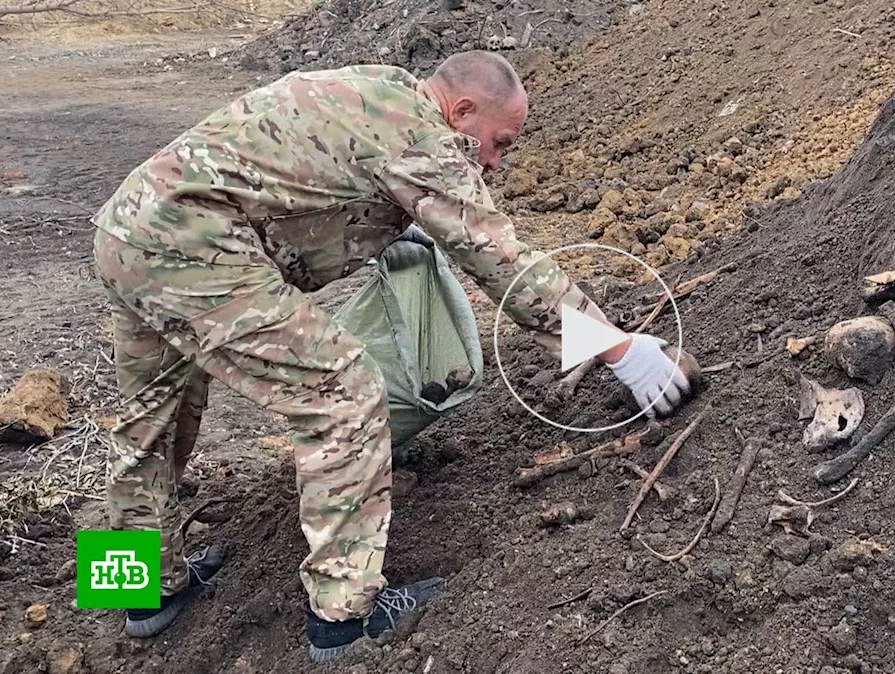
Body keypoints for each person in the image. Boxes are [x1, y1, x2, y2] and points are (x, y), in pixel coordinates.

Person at [90, 50, 695, 662]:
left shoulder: (380, 90)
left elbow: (307, 178)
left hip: (126, 228)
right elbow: (498, 257)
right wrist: (618, 347)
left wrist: (384, 224)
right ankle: (343, 619)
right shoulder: (420, 135)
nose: (493, 161)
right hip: (193, 248)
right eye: (498, 142)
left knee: (146, 423)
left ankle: (136, 595)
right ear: (462, 111)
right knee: (343, 392)